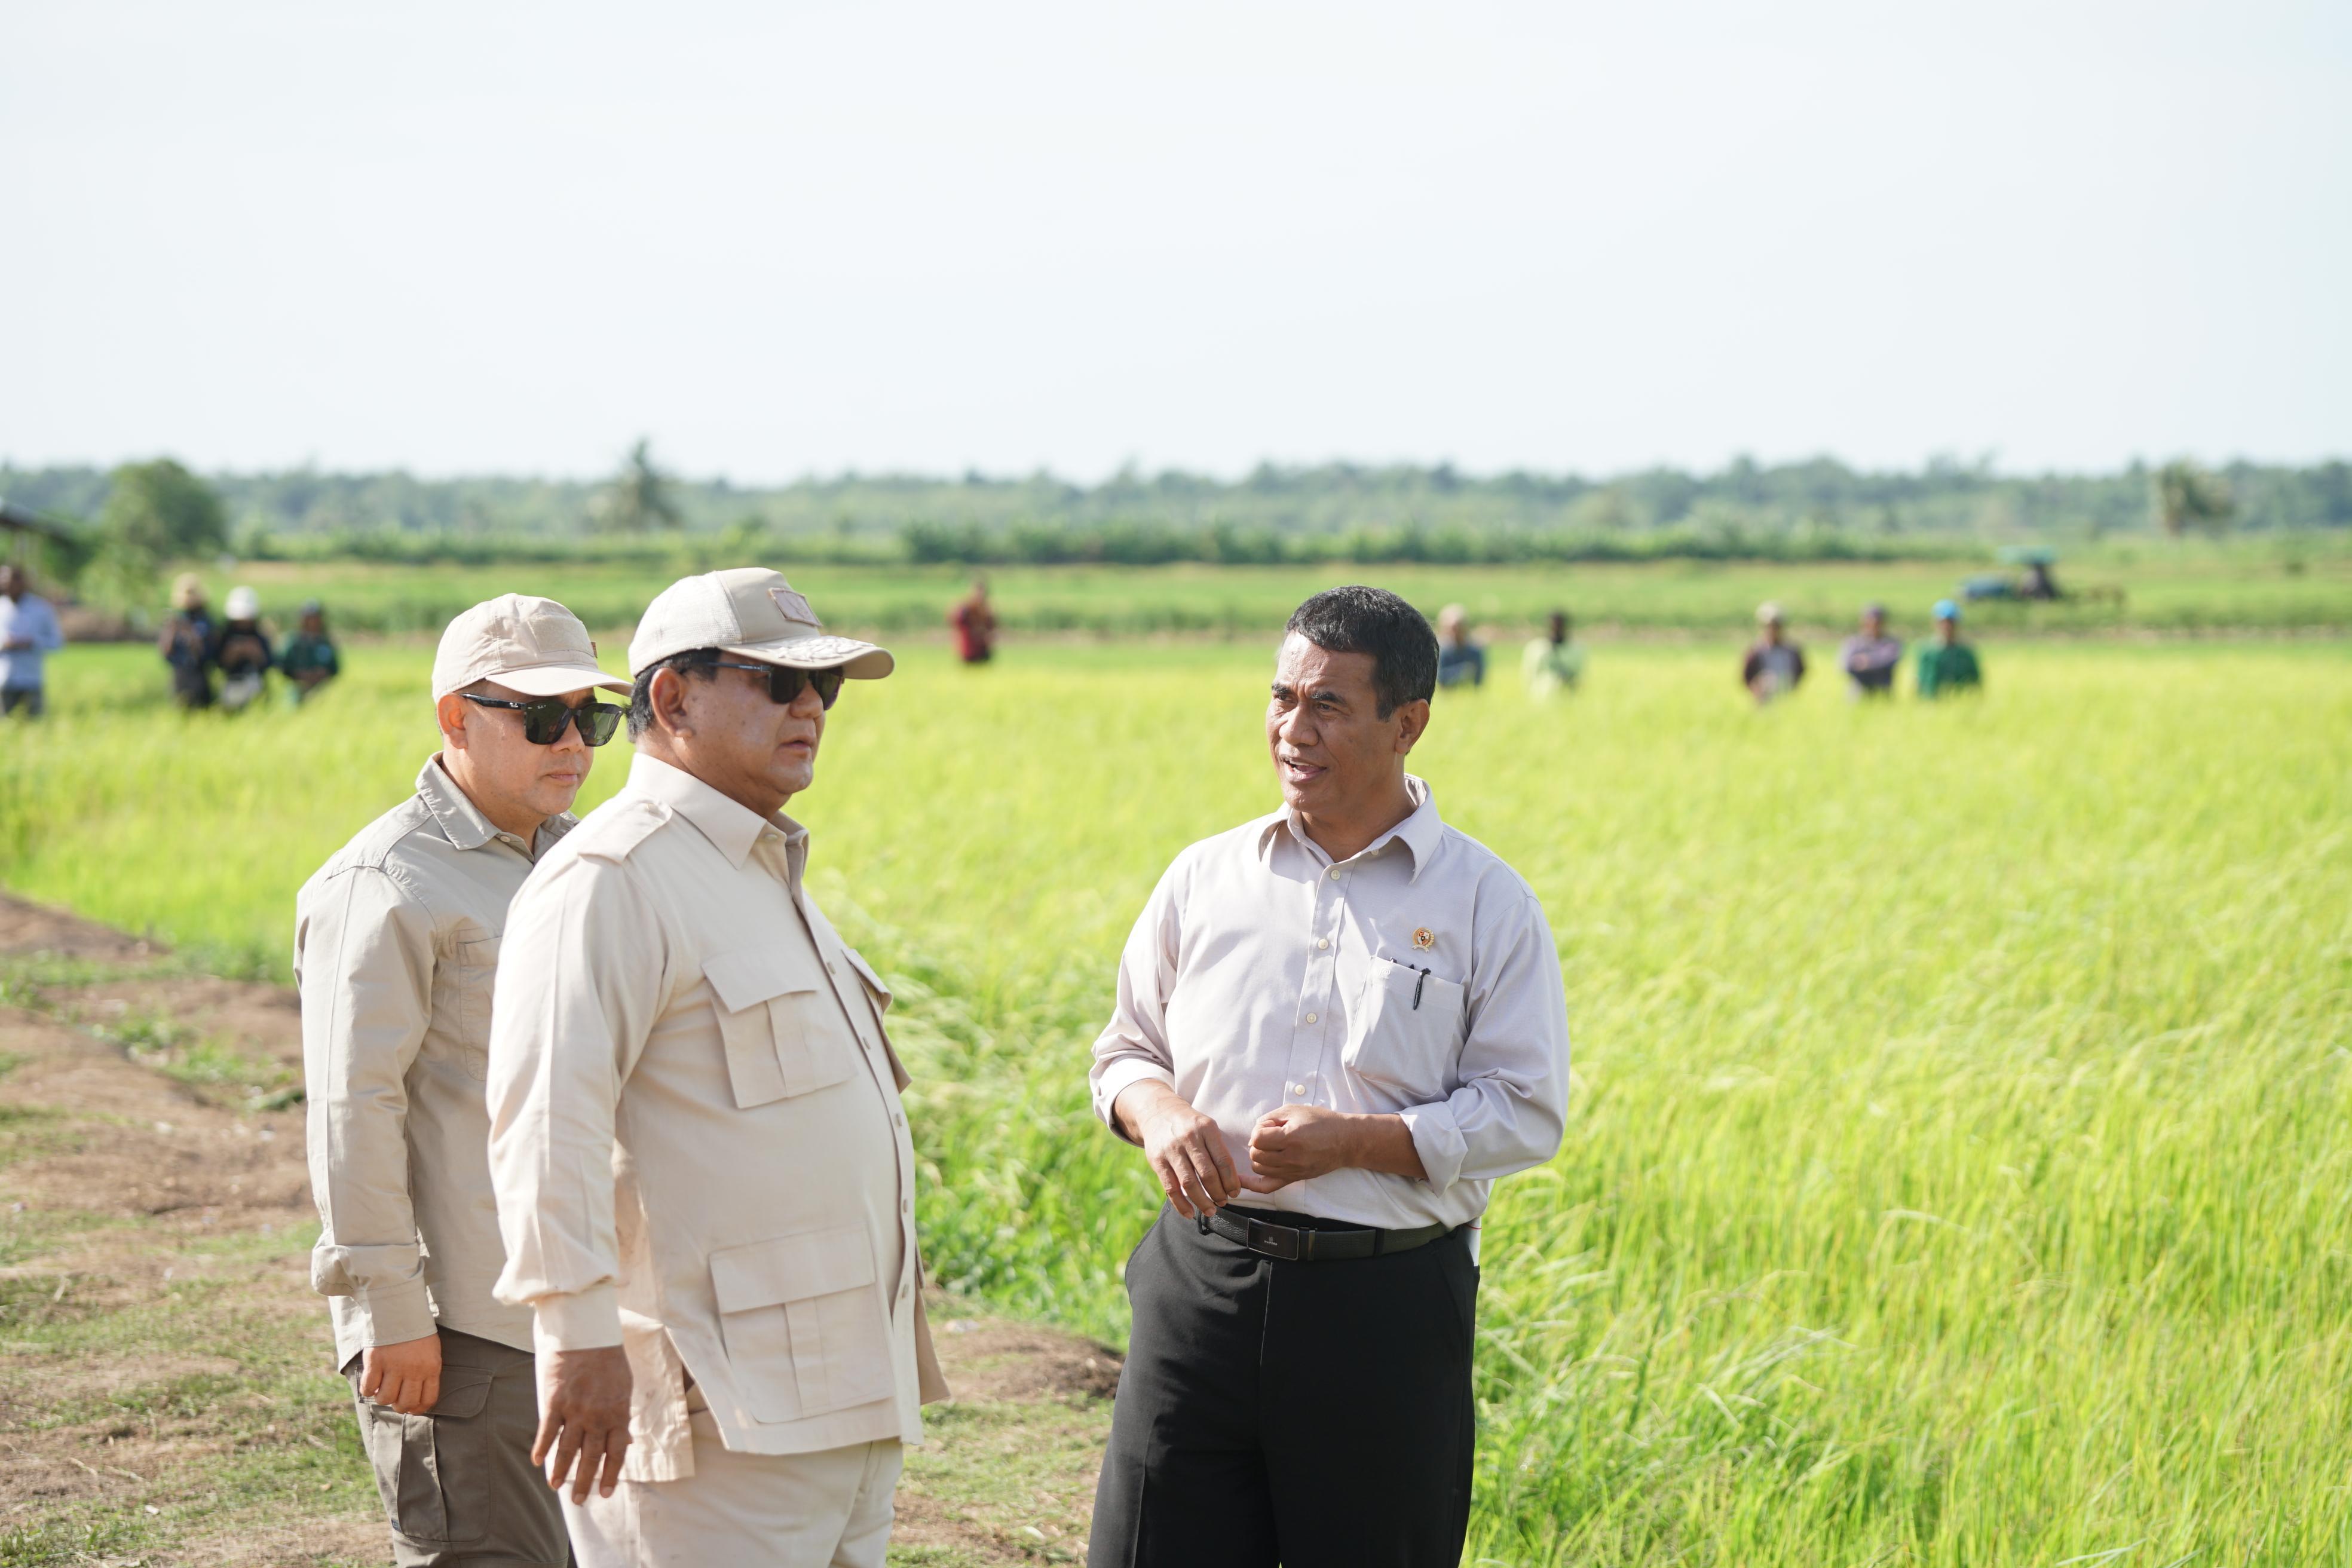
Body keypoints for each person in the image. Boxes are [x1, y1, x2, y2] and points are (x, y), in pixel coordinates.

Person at [1086, 585, 1570, 1568]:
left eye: (1326, 706)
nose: (1290, 729)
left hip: (1382, 1309)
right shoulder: (1205, 876)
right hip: (1200, 1283)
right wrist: (1162, 1111)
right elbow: (1124, 1049)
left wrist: (1357, 1141)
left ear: (1409, 723)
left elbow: (1527, 1111)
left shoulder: (1487, 903)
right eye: (1281, 698)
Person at [486, 568, 948, 1568]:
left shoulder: (756, 868)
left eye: (825, 687)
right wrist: (576, 1336)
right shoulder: (611, 879)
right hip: (709, 1422)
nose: (813, 707)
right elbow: (547, 1119)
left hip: (838, 1398)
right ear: (671, 696)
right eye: (779, 682)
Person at [293, 594, 630, 1567]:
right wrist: (391, 1310)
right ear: (454, 717)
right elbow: (354, 1114)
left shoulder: (573, 859)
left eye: (590, 716)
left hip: (576, 1314)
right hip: (460, 1332)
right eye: (539, 716)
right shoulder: (389, 883)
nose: (572, 742)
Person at [0, 564, 65, 719]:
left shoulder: (41, 609)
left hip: (31, 679)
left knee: (34, 726)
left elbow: (57, 643)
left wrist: (32, 643)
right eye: (4, 580)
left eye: (11, 581)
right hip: (4, 680)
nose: (7, 585)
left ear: (23, 582)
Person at [159, 573, 219, 709]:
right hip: (179, 676)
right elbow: (166, 653)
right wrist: (171, 632)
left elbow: (209, 652)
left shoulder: (205, 621)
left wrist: (192, 635)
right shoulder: (175, 621)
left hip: (200, 675)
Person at [216, 585, 275, 711]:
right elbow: (220, 664)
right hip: (232, 686)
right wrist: (232, 654)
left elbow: (269, 664)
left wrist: (255, 653)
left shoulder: (260, 636)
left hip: (256, 685)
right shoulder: (225, 636)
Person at [1916, 599, 1983, 699]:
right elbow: (1920, 681)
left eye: (1951, 623)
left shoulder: (1965, 651)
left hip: (1961, 702)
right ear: (1935, 623)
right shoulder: (1928, 651)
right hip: (1931, 704)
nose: (1947, 627)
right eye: (1943, 622)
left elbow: (1976, 681)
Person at [1741, 602, 1805, 704]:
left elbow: (1801, 671)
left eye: (1776, 626)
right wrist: (1757, 688)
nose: (1772, 630)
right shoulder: (1756, 651)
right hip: (1763, 700)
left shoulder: (1792, 651)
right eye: (1769, 627)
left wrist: (1792, 686)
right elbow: (1746, 677)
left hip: (1787, 699)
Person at [279, 600, 342, 703]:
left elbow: (335, 669)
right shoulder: (293, 642)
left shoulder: (325, 642)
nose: (313, 622)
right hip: (296, 693)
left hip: (323, 692)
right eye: (309, 618)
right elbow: (283, 666)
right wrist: (301, 675)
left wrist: (322, 674)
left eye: (315, 618)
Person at [1839, 603, 1903, 699]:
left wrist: (1866, 662)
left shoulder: (1891, 643)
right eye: (1869, 621)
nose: (1873, 625)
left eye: (1877, 622)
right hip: (1858, 694)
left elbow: (1889, 660)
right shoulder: (1854, 642)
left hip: (1883, 693)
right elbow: (1844, 664)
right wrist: (1873, 661)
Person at [1521, 608, 1585, 700]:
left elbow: (1580, 676)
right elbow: (1528, 675)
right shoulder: (1537, 649)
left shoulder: (1576, 649)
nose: (1556, 630)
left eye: (1559, 627)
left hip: (1568, 696)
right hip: (1541, 697)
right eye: (1554, 627)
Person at [1434, 602, 1485, 689]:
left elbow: (1479, 681)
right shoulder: (1441, 651)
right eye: (1453, 629)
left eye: (1459, 627)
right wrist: (1464, 671)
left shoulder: (1475, 651)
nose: (1456, 632)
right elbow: (1440, 679)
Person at [949, 577, 997, 664]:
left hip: (982, 650)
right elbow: (956, 621)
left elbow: (991, 628)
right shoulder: (965, 608)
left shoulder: (987, 610)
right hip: (968, 650)